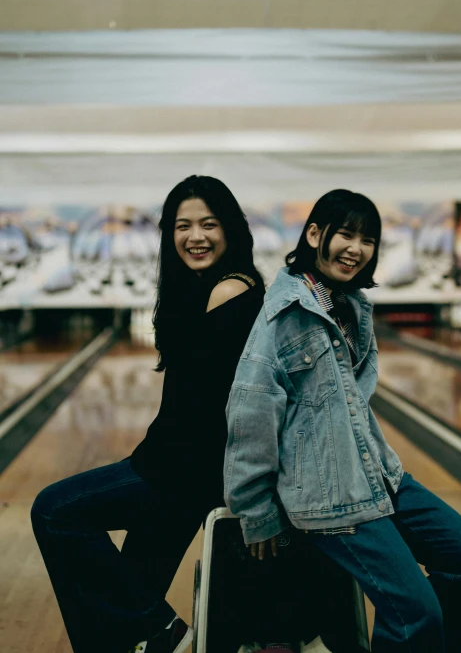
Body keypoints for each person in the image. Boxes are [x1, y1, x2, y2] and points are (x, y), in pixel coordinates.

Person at [224, 189, 461, 653]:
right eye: (345, 234)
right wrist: (257, 512)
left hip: (378, 476)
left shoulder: (349, 304)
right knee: (415, 614)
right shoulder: (283, 316)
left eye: (367, 239)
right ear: (314, 234)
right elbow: (249, 412)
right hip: (331, 496)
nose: (356, 248)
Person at [31, 175, 265, 653]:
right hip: (176, 468)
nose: (194, 236)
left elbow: (217, 409)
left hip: (178, 475)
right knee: (118, 608)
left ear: (231, 230)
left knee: (54, 512)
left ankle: (167, 631)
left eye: (208, 224)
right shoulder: (200, 288)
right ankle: (153, 631)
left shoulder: (231, 291)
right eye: (183, 226)